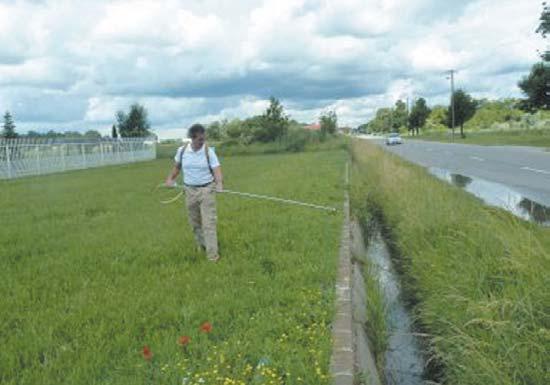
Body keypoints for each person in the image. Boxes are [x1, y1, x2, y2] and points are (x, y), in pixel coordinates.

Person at [165, 124, 223, 262]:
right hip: (189, 190)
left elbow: (217, 169)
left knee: (209, 223)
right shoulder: (183, 150)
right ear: (192, 138)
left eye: (204, 139)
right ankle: (202, 245)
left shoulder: (208, 151)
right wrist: (170, 179)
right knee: (195, 223)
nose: (203, 142)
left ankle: (212, 256)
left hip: (206, 190)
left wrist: (219, 183)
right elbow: (177, 167)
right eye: (200, 139)